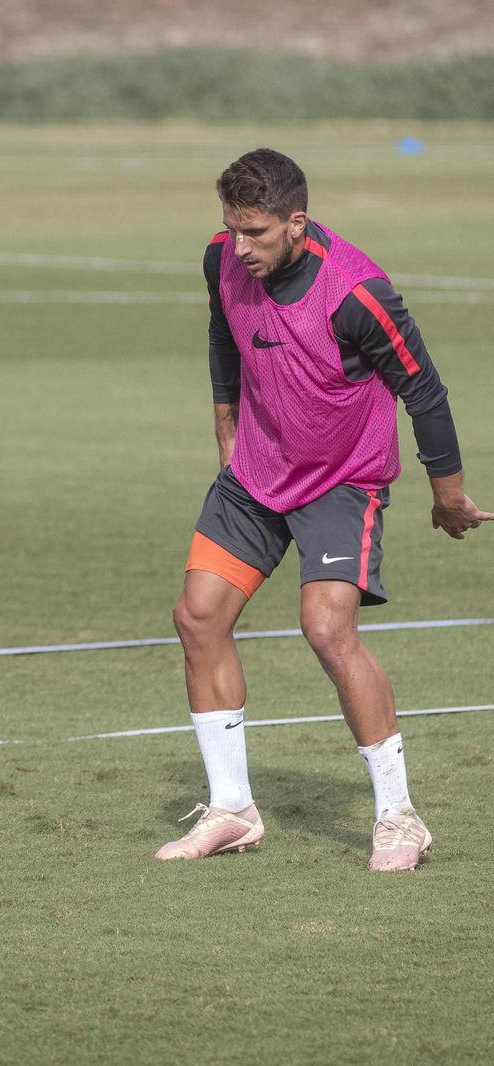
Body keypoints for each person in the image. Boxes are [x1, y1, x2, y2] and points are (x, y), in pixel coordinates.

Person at [161, 148, 491, 871]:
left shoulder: (356, 293)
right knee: (198, 616)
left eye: (255, 232)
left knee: (326, 628)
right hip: (256, 472)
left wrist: (447, 495)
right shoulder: (223, 258)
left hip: (344, 482)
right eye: (231, 228)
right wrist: (225, 422)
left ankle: (400, 818)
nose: (238, 246)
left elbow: (425, 390)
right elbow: (223, 332)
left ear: (297, 223)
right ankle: (232, 808)